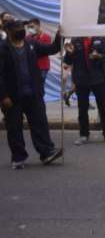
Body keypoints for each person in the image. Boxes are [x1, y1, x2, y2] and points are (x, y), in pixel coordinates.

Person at [0, 20, 63, 169]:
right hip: (12, 97)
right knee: (14, 128)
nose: (20, 29)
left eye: (21, 27)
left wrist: (59, 35)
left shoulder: (31, 44)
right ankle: (18, 158)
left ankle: (46, 152)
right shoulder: (2, 49)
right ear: (7, 31)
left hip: (33, 94)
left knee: (40, 123)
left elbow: (53, 49)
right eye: (16, 28)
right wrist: (3, 97)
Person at [64, 36, 105, 145]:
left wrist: (97, 55)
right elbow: (67, 61)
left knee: (103, 107)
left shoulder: (99, 39)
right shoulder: (75, 41)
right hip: (81, 80)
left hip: (98, 79)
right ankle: (83, 135)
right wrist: (69, 53)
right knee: (82, 109)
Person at [25, 19, 52, 96]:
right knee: (32, 85)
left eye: (32, 26)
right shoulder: (27, 38)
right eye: (29, 27)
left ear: (38, 26)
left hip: (42, 66)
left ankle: (40, 101)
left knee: (40, 85)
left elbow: (46, 51)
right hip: (31, 66)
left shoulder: (46, 37)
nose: (30, 29)